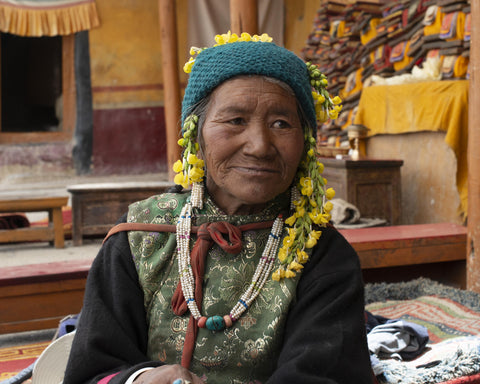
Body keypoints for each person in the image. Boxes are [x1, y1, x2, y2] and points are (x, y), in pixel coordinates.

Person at [64, 31, 373, 384]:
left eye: (281, 124)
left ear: (305, 144)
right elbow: (94, 370)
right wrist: (139, 380)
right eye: (235, 120)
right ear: (196, 134)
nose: (259, 145)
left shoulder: (321, 253)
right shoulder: (139, 235)